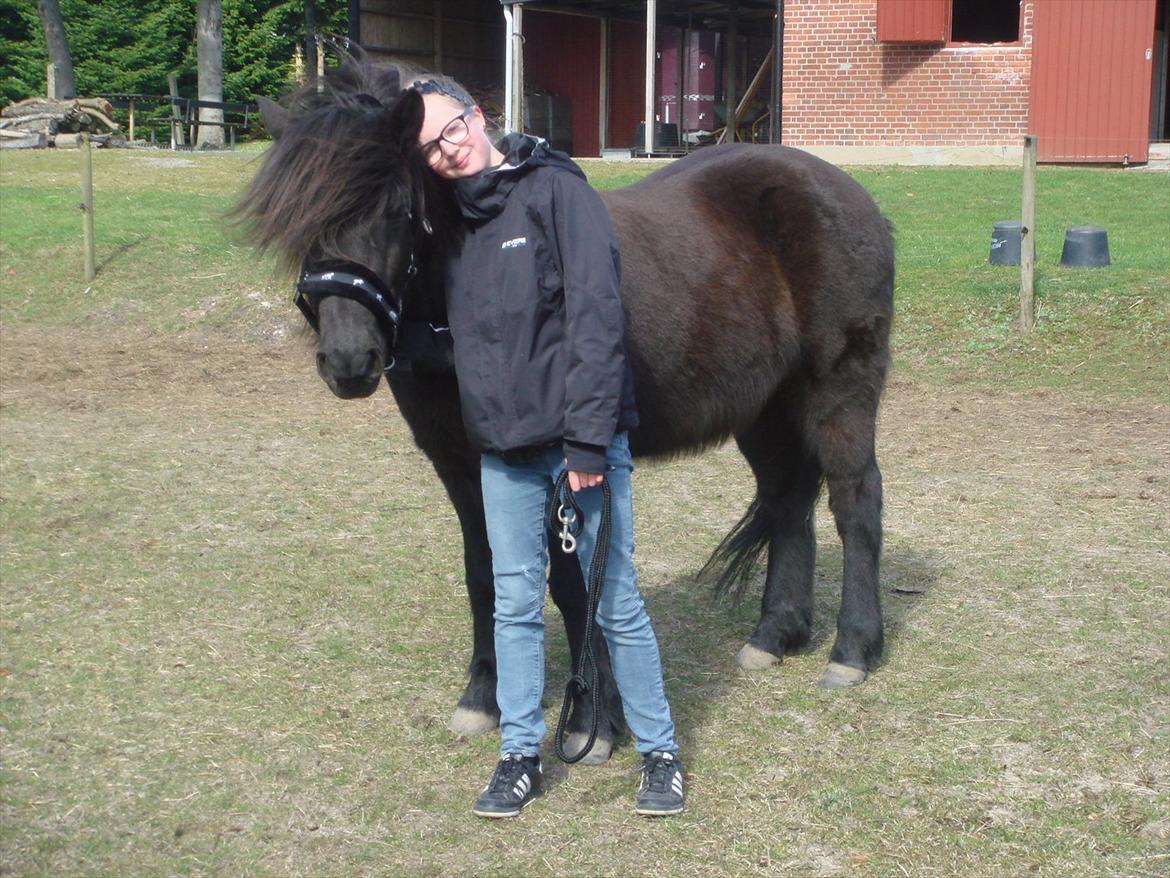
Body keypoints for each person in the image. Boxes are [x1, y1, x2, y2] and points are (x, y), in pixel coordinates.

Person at [412, 75, 684, 819]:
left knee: (617, 603)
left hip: (578, 448)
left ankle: (660, 751)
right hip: (504, 453)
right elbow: (470, 339)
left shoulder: (556, 193)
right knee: (514, 608)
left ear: (477, 115)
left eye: (450, 131)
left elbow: (598, 324)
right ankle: (518, 758)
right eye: (429, 148)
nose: (445, 151)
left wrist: (590, 446)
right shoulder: (454, 224)